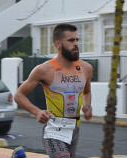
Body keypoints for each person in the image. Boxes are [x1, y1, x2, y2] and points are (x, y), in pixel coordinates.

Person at [14, 23, 93, 158]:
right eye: (71, 40)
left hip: (74, 128)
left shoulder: (86, 68)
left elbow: (87, 92)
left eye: (77, 40)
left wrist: (88, 106)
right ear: (58, 44)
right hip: (53, 128)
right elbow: (19, 95)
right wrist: (37, 111)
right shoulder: (44, 70)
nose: (76, 44)